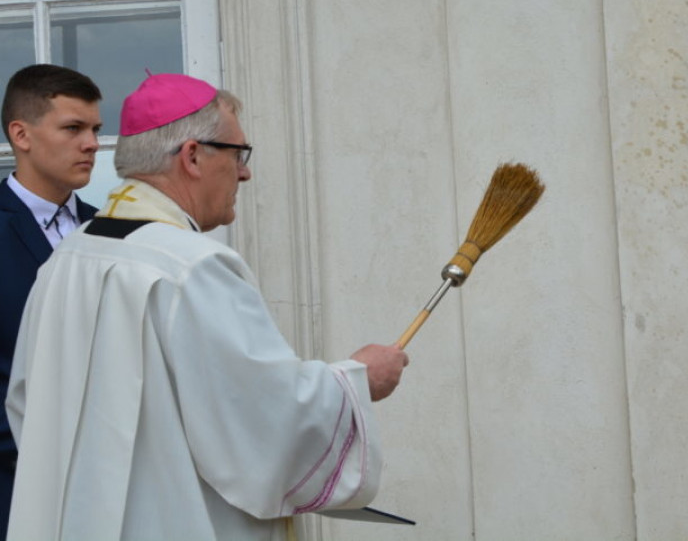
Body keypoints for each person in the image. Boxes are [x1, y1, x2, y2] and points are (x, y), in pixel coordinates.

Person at [6, 73, 409, 541]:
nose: (245, 172)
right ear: (193, 156)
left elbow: (25, 403)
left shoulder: (70, 256)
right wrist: (356, 381)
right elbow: (266, 426)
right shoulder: (192, 267)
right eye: (238, 154)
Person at [0, 64, 102, 539]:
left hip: (106, 492)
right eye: (73, 128)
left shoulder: (112, 231)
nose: (92, 144)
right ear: (21, 134)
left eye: (95, 129)